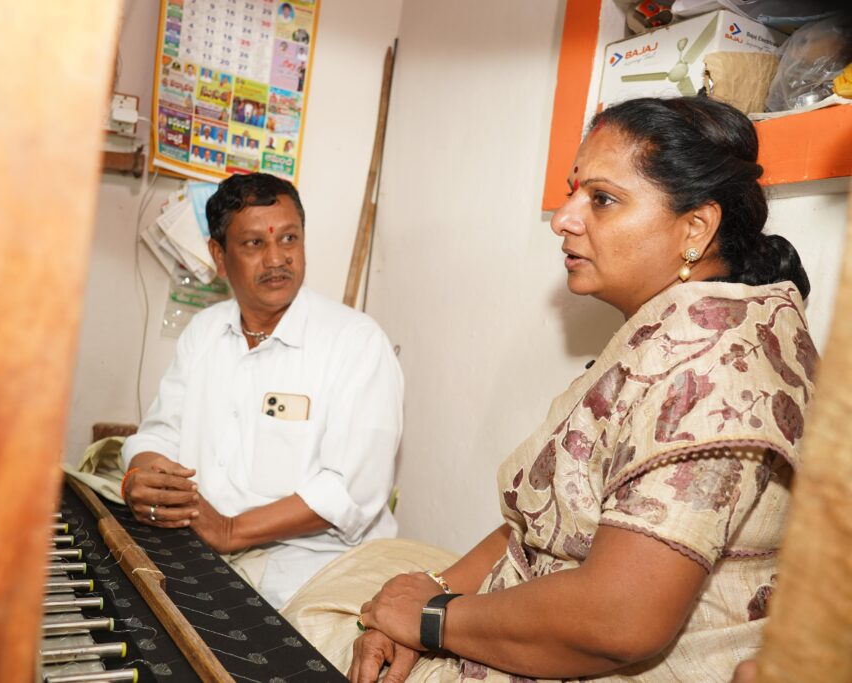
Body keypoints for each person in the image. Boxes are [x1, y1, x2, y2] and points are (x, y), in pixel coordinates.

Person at [281, 96, 816, 682]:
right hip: (535, 607)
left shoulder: (711, 366)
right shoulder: (689, 330)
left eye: (602, 199)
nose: (564, 217)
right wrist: (422, 598)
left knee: (309, 629)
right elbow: (538, 525)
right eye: (572, 191)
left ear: (695, 228)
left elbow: (619, 623)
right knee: (361, 591)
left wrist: (431, 619)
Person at [121, 173, 404, 608]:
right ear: (219, 255)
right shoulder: (205, 332)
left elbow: (351, 493)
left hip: (315, 572)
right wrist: (144, 477)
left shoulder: (357, 342)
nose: (277, 258)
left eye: (289, 239)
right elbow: (160, 433)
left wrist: (231, 531)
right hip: (201, 552)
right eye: (254, 244)